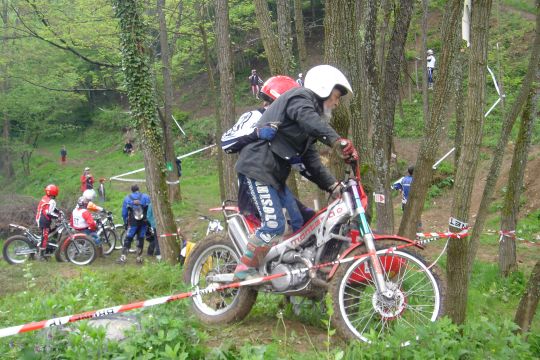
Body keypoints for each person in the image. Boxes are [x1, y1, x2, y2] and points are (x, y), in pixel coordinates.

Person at [233, 65, 358, 280]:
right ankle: (243, 271)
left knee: (303, 225)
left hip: (275, 176)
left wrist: (333, 186)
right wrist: (337, 141)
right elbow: (309, 120)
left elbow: (312, 163)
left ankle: (289, 272)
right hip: (257, 168)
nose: (337, 103)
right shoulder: (299, 98)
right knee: (274, 225)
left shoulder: (306, 127)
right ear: (323, 88)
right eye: (336, 97)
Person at [221, 75, 314, 228]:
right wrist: (256, 134)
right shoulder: (254, 116)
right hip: (253, 187)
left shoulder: (286, 125)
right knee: (278, 229)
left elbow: (297, 160)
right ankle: (254, 252)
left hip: (276, 184)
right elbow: (226, 142)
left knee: (308, 219)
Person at [118, 184, 151, 264]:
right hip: (143, 222)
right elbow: (149, 209)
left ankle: (123, 257)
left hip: (133, 222)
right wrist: (149, 221)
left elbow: (124, 213)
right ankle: (139, 258)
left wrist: (125, 222)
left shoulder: (127, 198)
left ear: (131, 190)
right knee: (141, 238)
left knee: (128, 238)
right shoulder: (146, 197)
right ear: (138, 189)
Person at [35, 184, 61, 259]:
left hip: (39, 218)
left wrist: (58, 211)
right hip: (43, 220)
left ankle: (46, 251)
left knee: (48, 233)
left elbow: (51, 207)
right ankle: (41, 255)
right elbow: (49, 213)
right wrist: (58, 216)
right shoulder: (52, 201)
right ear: (55, 192)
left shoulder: (45, 198)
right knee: (45, 236)